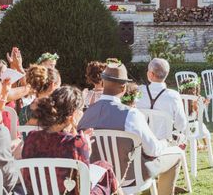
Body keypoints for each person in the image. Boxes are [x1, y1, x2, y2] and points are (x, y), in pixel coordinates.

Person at [78, 62, 183, 195]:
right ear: (123, 88)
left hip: (99, 177)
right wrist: (165, 142)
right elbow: (153, 150)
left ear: (103, 83)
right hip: (130, 178)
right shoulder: (130, 114)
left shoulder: (85, 114)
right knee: (177, 154)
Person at [22, 86, 122, 195]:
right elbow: (83, 185)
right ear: (73, 115)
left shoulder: (31, 138)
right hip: (71, 192)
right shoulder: (77, 143)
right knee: (107, 171)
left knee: (103, 165)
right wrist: (86, 150)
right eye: (81, 110)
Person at [136, 58, 188, 140]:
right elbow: (181, 125)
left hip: (139, 142)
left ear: (150, 74)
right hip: (163, 144)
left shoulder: (138, 91)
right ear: (166, 74)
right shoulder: (173, 96)